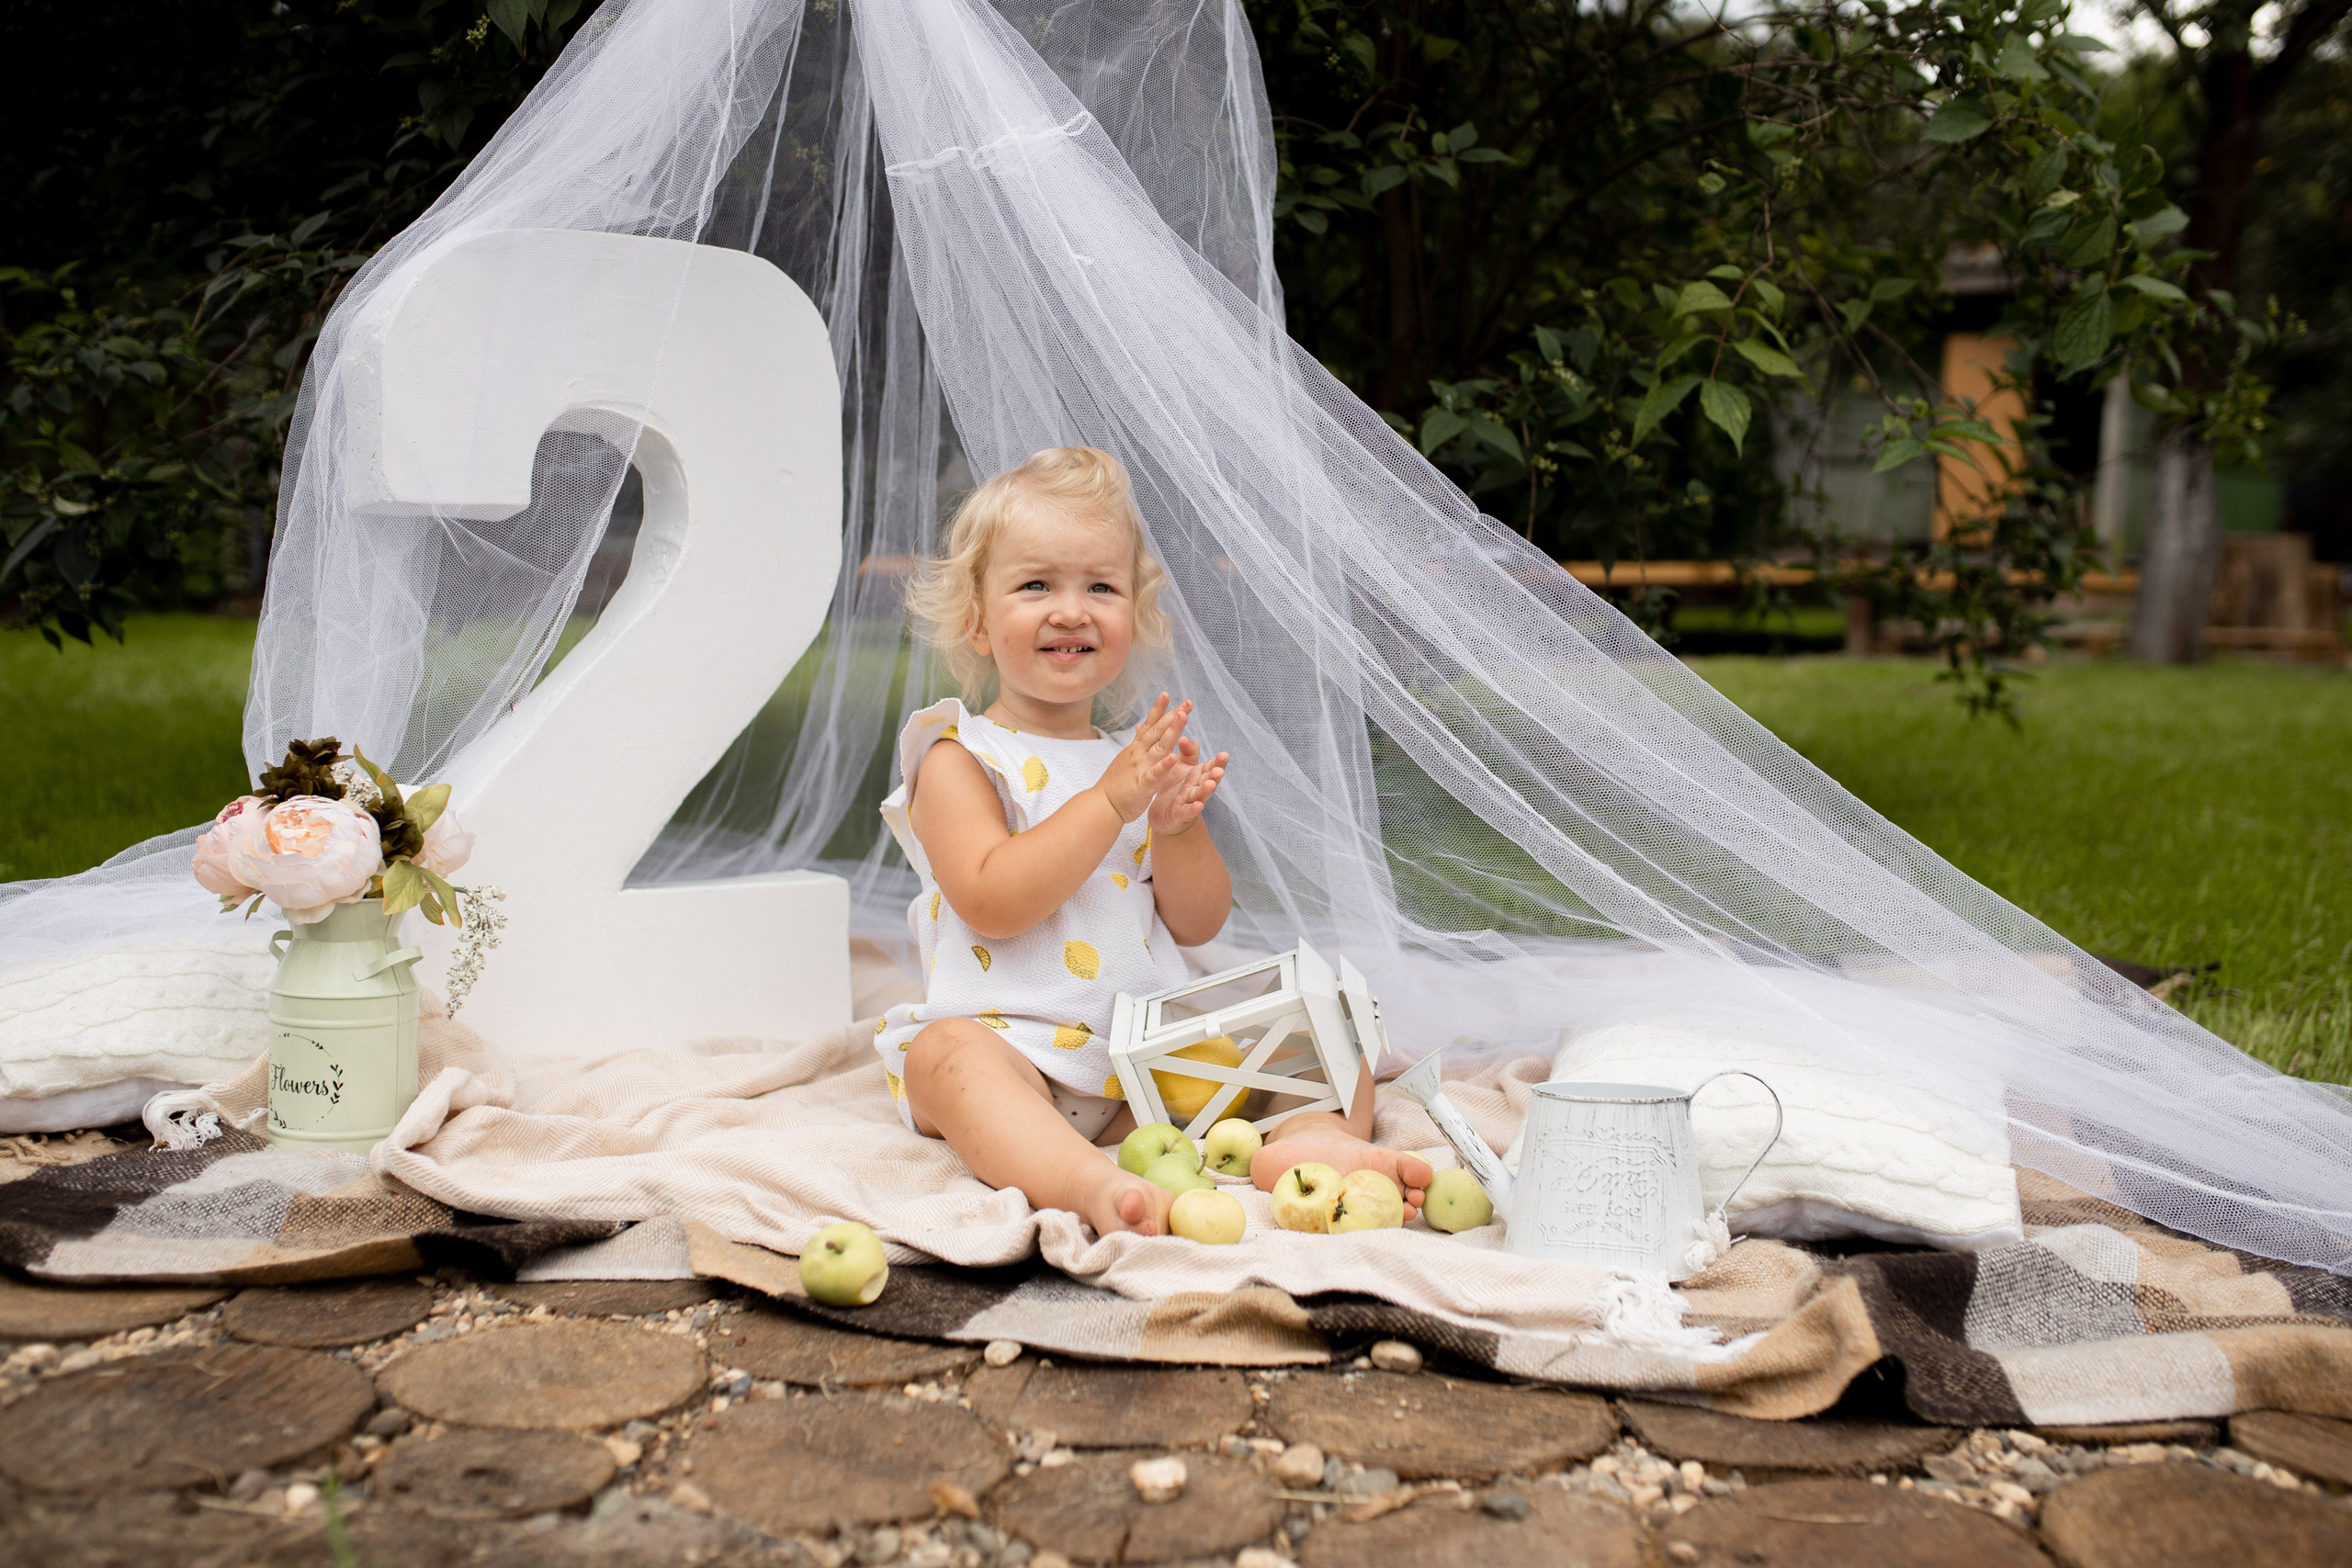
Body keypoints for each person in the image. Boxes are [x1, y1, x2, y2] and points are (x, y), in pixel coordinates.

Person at [874, 446, 1432, 1236]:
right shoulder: (959, 755)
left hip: (1146, 1061)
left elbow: (1198, 923)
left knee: (1331, 1021)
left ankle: (1313, 1143)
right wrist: (1111, 802)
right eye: (1036, 584)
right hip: (1016, 1049)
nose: (1072, 610)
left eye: (1101, 587)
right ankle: (1082, 1181)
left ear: (1134, 616)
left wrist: (1175, 829)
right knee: (944, 1058)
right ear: (975, 617)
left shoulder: (1125, 762)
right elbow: (993, 899)